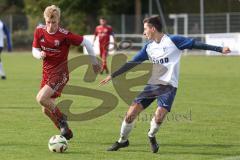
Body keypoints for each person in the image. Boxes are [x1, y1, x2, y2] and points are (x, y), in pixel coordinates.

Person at [100, 16, 231, 153]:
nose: (144, 32)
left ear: (153, 28)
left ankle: (151, 135)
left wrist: (219, 49)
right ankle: (122, 141)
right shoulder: (148, 48)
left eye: (145, 29)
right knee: (131, 113)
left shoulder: (173, 41)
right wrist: (113, 75)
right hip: (153, 84)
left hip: (169, 86)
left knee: (159, 117)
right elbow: (132, 63)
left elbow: (196, 44)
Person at [32, 5, 101, 140]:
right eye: (48, 22)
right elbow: (34, 49)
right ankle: (66, 132)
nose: (51, 26)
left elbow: (86, 42)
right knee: (45, 109)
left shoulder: (64, 35)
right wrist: (39, 54)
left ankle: (63, 120)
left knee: (41, 98)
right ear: (45, 20)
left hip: (60, 74)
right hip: (46, 74)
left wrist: (94, 62)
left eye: (54, 22)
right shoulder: (39, 32)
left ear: (59, 20)